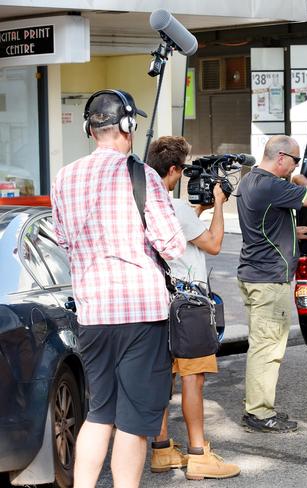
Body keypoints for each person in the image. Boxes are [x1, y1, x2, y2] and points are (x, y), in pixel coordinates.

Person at [51, 89, 186, 488]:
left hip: (93, 311)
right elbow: (174, 246)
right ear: (128, 125)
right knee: (135, 420)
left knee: (100, 413)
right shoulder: (141, 174)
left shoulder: (64, 176)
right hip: (140, 312)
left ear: (89, 128)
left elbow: (62, 238)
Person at [145, 136, 240, 480]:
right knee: (192, 379)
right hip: (188, 308)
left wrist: (196, 211)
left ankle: (162, 451)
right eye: (182, 171)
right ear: (172, 170)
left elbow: (181, 232)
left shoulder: (141, 202)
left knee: (161, 379)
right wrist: (218, 205)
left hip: (154, 304)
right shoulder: (175, 207)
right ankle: (199, 455)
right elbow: (213, 243)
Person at [237, 135, 307, 433]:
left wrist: (290, 231)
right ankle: (259, 414)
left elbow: (262, 224)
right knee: (267, 348)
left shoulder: (250, 182)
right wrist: (301, 177)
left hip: (253, 273)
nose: (295, 166)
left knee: (261, 344)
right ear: (282, 158)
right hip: (269, 280)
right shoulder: (274, 184)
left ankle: (258, 408)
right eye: (295, 161)